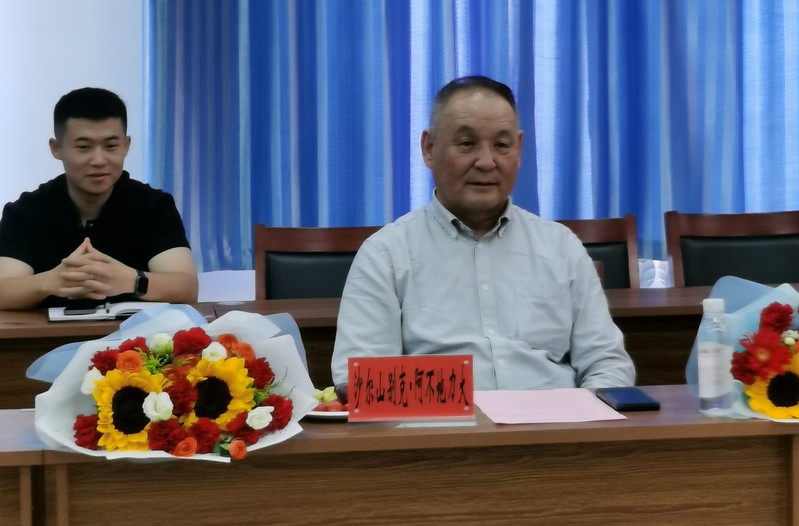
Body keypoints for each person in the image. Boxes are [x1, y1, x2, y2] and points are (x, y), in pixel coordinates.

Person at [331, 75, 635, 391]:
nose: (487, 162)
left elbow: (607, 364)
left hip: (556, 419)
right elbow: (364, 381)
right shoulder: (385, 255)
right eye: (467, 144)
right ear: (429, 148)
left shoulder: (561, 247)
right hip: (439, 422)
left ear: (519, 150)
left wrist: (581, 416)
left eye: (501, 145)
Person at [0, 87, 198, 310]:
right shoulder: (25, 212)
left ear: (126, 145)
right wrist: (53, 281)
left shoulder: (153, 206)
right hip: (41, 333)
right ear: (57, 148)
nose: (99, 160)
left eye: (111, 146)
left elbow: (187, 287)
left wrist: (132, 280)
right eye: (84, 147)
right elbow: (3, 290)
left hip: (136, 332)